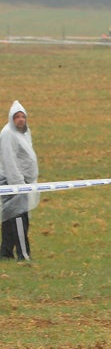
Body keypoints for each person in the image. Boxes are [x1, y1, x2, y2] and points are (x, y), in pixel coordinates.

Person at [0, 100, 39, 262]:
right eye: (16, 117)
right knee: (18, 218)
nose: (20, 119)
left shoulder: (23, 132)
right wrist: (19, 186)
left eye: (23, 116)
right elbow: (9, 162)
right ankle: (24, 254)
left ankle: (5, 252)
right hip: (12, 184)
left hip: (23, 182)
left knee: (9, 217)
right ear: (11, 118)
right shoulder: (8, 134)